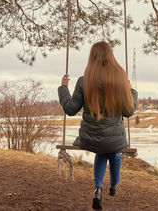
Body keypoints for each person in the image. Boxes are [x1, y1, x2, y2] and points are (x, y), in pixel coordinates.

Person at [58, 41, 138, 210]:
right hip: (114, 140)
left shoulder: (84, 81)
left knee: (102, 151)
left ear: (92, 57)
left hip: (89, 139)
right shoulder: (120, 79)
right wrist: (132, 91)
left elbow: (71, 109)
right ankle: (114, 185)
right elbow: (129, 111)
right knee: (113, 152)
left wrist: (64, 88)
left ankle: (97, 189)